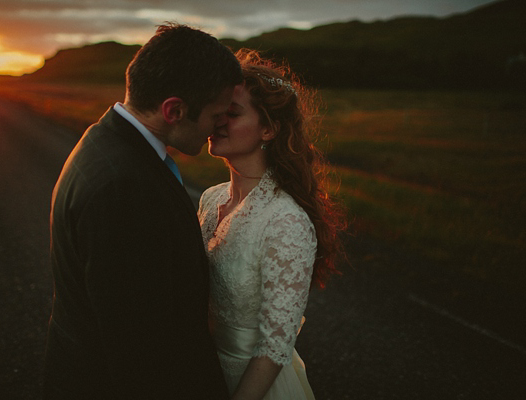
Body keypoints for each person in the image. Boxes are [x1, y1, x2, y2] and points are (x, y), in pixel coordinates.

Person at [43, 23, 243, 399]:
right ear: (174, 110)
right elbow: (139, 349)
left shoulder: (104, 139)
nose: (220, 125)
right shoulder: (124, 188)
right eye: (216, 114)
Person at [198, 49, 346, 399]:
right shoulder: (210, 199)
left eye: (232, 113)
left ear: (268, 129)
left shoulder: (286, 220)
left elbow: (275, 347)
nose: (217, 120)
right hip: (202, 374)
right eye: (217, 110)